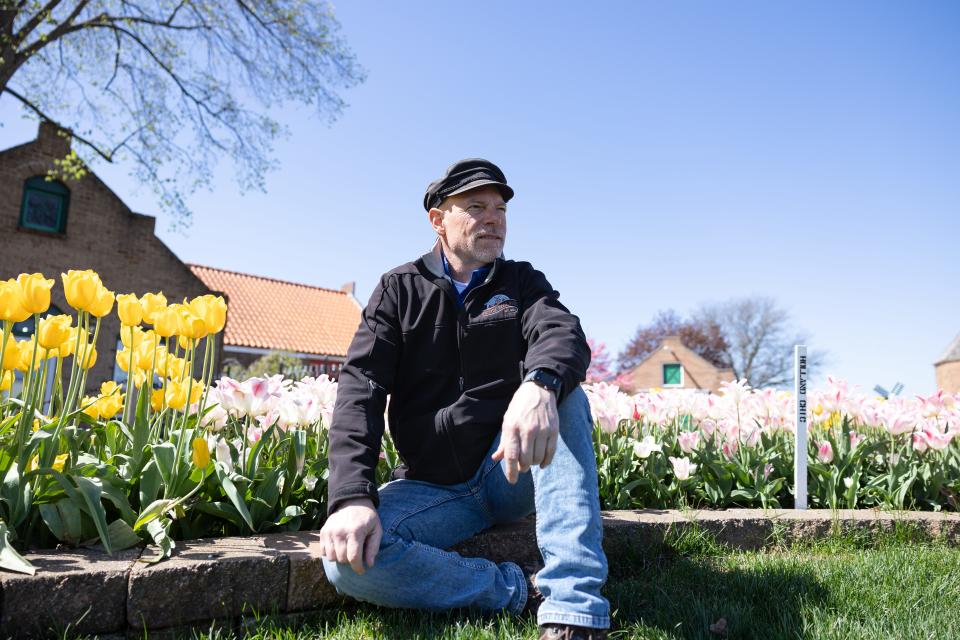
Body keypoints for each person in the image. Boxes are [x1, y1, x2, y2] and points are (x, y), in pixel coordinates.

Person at [318, 159, 610, 639]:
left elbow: (561, 332)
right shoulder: (397, 289)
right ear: (438, 220)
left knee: (564, 394)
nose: (494, 218)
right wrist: (351, 498)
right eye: (476, 207)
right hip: (432, 489)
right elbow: (360, 389)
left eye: (500, 209)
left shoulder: (520, 281)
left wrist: (538, 383)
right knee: (349, 564)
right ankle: (514, 591)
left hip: (507, 470)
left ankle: (573, 609)